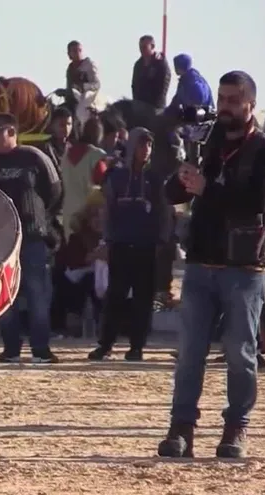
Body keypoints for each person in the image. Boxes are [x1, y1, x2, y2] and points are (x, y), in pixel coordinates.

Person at [158, 71, 265, 459]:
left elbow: (256, 204)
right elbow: (173, 193)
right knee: (190, 353)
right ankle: (181, 429)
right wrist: (182, 178)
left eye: (233, 100)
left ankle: (236, 428)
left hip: (244, 267)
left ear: (250, 104)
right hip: (201, 263)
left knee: (240, 354)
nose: (225, 106)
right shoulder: (208, 143)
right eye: (222, 98)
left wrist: (207, 188)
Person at [0, 113, 63, 363]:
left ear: (12, 132)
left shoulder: (34, 157)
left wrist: (42, 220)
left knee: (37, 293)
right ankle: (11, 348)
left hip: (32, 236)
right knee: (2, 294)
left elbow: (54, 191)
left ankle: (41, 349)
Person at [88, 128, 170, 361]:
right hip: (121, 244)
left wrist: (162, 240)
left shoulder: (155, 178)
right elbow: (108, 210)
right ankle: (105, 344)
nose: (146, 150)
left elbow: (164, 212)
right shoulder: (117, 176)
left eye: (149, 145)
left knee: (143, 298)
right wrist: (107, 239)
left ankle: (137, 347)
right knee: (115, 296)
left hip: (146, 246)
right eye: (142, 145)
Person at [50, 192, 104, 337]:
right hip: (77, 279)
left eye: (102, 216)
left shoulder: (112, 238)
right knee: (85, 280)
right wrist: (91, 257)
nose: (99, 220)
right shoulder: (78, 237)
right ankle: (72, 321)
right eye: (94, 216)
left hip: (107, 279)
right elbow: (72, 262)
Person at [58, 116, 108, 238]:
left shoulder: (66, 155)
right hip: (89, 217)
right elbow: (104, 185)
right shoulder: (97, 155)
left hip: (68, 213)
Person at [131, 35, 171, 110]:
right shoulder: (138, 65)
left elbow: (163, 86)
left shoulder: (160, 63)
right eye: (140, 47)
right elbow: (134, 85)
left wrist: (156, 105)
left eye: (144, 47)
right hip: (140, 106)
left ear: (152, 46)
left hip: (155, 107)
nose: (142, 50)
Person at [63, 40, 101, 115]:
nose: (78, 53)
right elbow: (70, 87)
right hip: (73, 100)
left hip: (88, 98)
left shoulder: (88, 65)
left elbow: (97, 84)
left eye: (79, 50)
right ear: (69, 54)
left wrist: (83, 86)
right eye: (74, 51)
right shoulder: (70, 68)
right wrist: (65, 92)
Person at [36, 107, 74, 175]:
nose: (66, 128)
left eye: (69, 124)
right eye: (62, 125)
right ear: (52, 125)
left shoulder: (72, 147)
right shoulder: (45, 147)